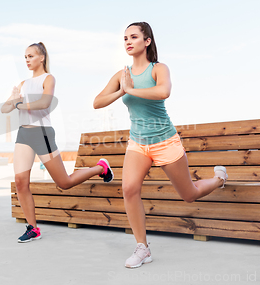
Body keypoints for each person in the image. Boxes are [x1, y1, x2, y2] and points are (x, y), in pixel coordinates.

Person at [93, 22, 228, 268]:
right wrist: (122, 91)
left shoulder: (158, 69)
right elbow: (97, 102)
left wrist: (131, 89)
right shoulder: (122, 75)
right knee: (129, 189)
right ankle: (142, 247)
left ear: (147, 41)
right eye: (125, 38)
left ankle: (219, 179)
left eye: (133, 37)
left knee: (189, 195)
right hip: (138, 143)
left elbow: (163, 91)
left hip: (165, 141)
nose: (128, 42)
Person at [1, 42, 114, 243]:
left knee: (64, 183)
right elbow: (4, 110)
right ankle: (33, 228)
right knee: (20, 182)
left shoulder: (48, 78)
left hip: (42, 134)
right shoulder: (22, 84)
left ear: (41, 57)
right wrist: (11, 99)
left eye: (31, 56)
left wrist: (18, 103)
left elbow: (45, 103)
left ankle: (100, 168)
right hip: (24, 135)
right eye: (25, 57)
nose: (27, 60)